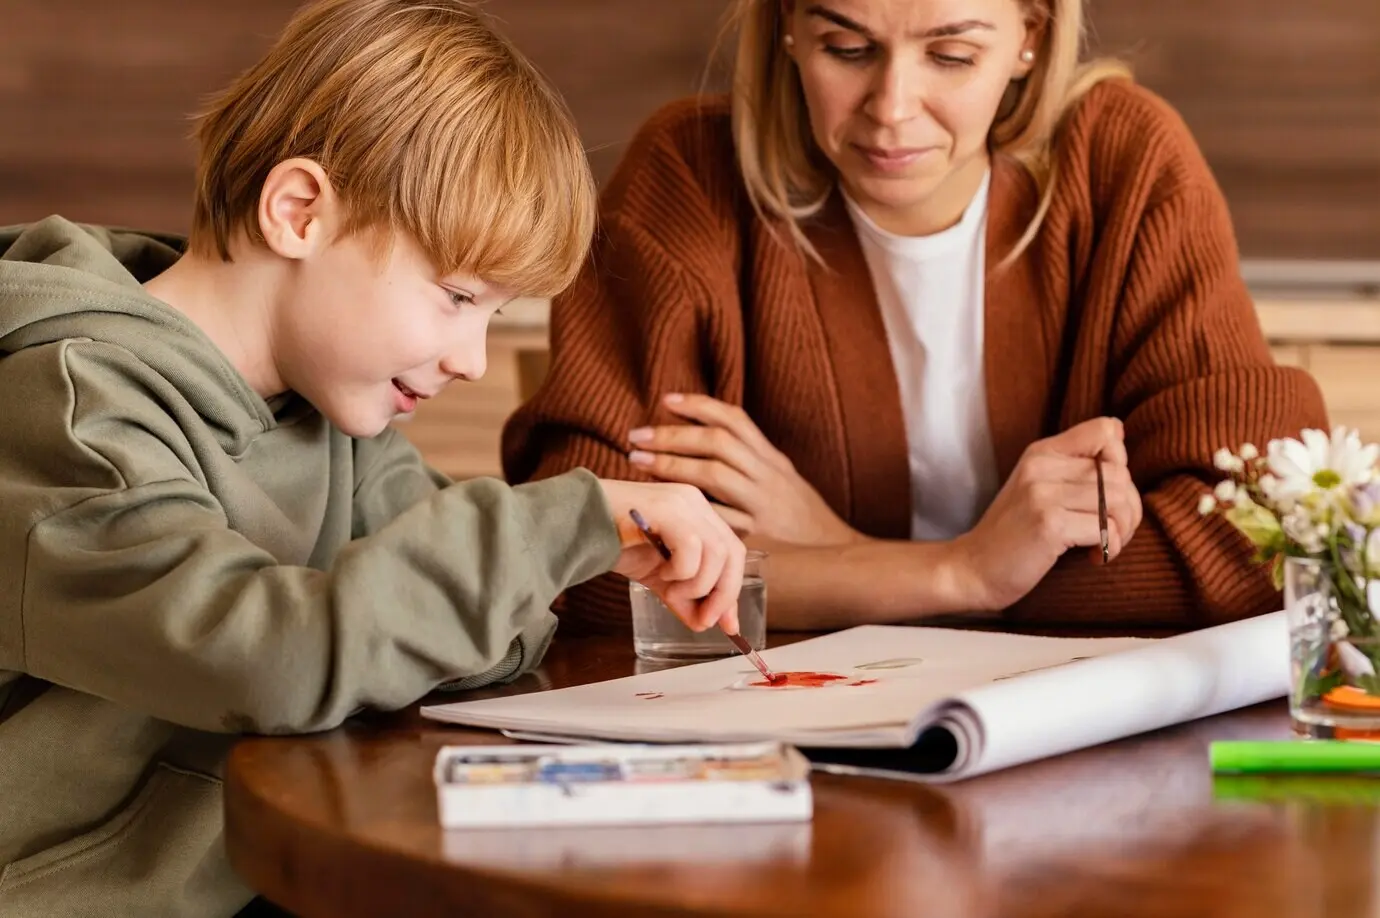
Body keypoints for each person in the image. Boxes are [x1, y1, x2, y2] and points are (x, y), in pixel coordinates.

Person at [0, 1, 744, 915]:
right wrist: (572, 522)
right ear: (299, 213)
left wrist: (564, 552)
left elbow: (493, 645)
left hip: (279, 871)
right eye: (458, 296)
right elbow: (270, 658)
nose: (473, 359)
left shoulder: (331, 415)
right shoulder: (66, 418)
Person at [502, 0, 1330, 635]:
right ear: (788, 27)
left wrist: (828, 560)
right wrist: (960, 574)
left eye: (952, 54)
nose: (892, 108)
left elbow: (1254, 543)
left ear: (1029, 38)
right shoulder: (688, 178)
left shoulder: (1125, 164)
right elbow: (581, 566)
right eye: (847, 48)